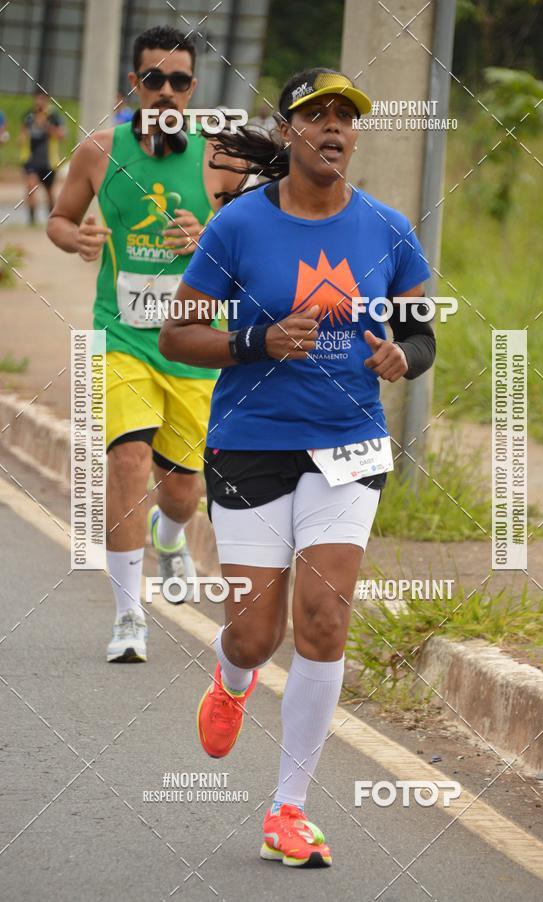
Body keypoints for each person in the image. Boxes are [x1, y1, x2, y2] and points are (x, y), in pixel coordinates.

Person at [159, 68, 435, 868]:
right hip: (250, 440)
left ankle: (288, 808)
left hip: (348, 443)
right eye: (316, 115)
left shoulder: (386, 228)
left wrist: (399, 355)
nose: (334, 127)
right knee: (255, 634)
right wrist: (259, 341)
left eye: (346, 116)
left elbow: (421, 337)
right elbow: (179, 336)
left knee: (323, 620)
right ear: (288, 132)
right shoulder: (239, 226)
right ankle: (232, 676)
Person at [47, 26, 245, 663]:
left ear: (193, 89)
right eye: (152, 79)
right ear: (133, 85)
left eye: (178, 81)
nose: (165, 92)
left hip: (191, 346)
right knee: (129, 461)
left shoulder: (221, 159)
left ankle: (171, 536)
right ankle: (130, 616)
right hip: (122, 338)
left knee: (182, 491)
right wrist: (70, 239)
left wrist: (207, 237)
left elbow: (251, 245)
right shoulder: (99, 152)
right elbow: (59, 216)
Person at [20, 91, 65, 224]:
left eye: (42, 99)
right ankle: (32, 219)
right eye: (37, 98)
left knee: (50, 192)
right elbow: (22, 135)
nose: (39, 101)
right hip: (31, 160)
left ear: (47, 100)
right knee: (31, 186)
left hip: (48, 161)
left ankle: (52, 219)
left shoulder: (54, 117)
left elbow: (61, 135)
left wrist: (46, 126)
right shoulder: (29, 116)